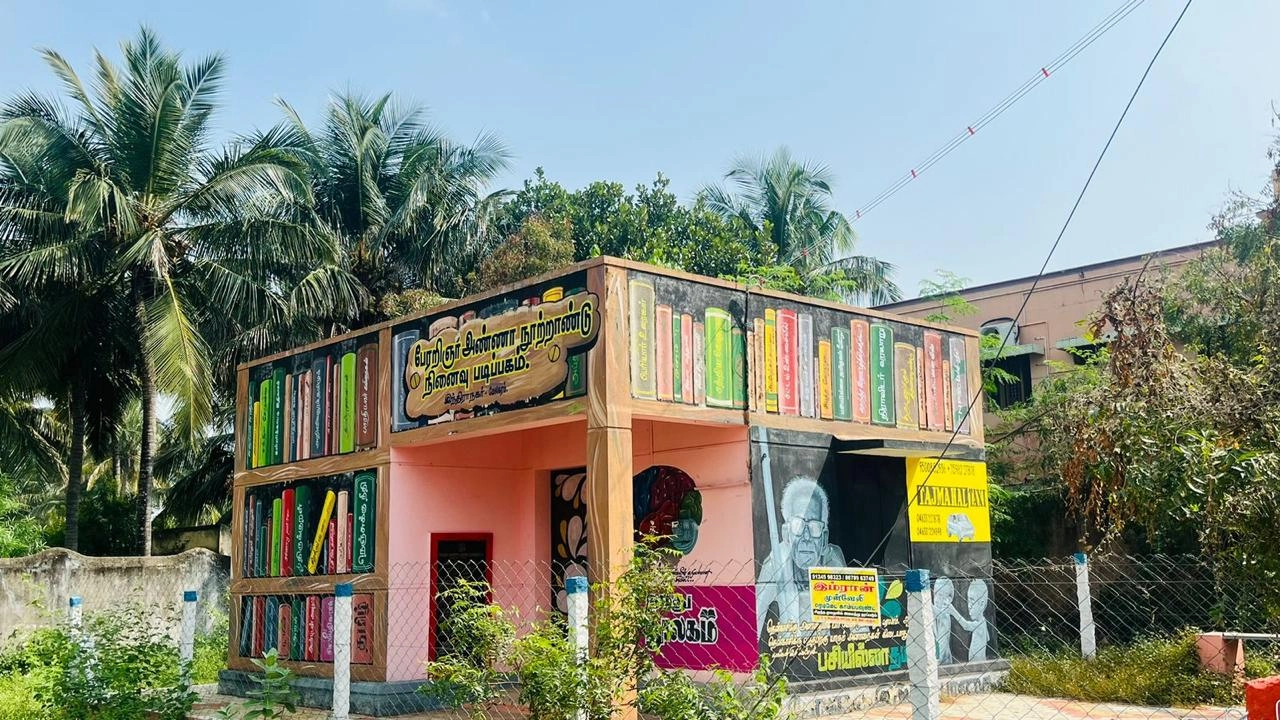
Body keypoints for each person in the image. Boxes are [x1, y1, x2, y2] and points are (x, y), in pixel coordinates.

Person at [756, 477, 846, 638]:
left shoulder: (832, 559)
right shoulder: (776, 562)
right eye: (798, 525)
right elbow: (754, 619)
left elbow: (859, 627)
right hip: (788, 651)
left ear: (824, 538)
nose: (806, 537)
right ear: (786, 534)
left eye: (814, 526)